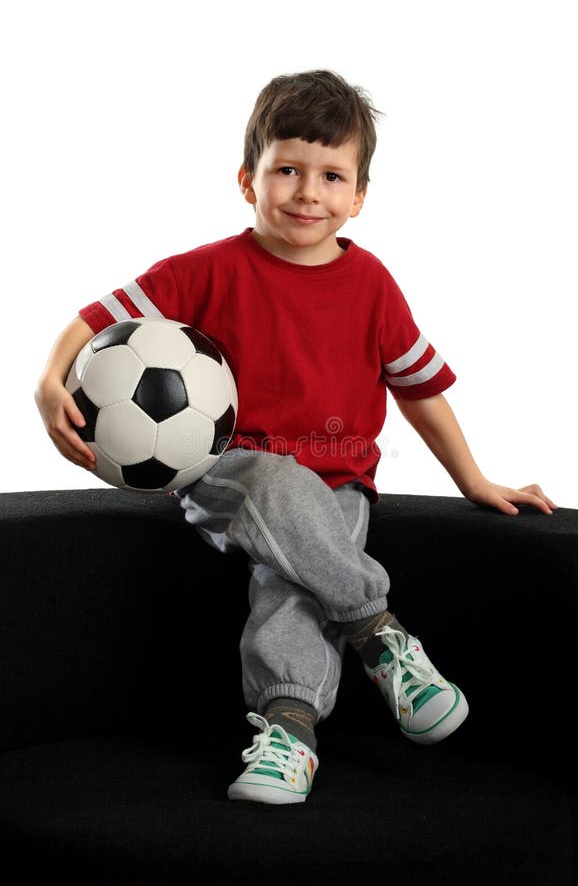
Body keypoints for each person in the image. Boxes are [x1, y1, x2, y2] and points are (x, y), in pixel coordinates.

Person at [35, 69, 556, 805]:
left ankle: (290, 733)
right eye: (287, 169)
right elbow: (95, 317)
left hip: (337, 481)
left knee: (297, 577)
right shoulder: (207, 270)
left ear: (360, 196)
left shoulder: (372, 284)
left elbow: (421, 391)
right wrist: (49, 381)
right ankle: (380, 631)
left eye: (331, 175)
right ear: (248, 181)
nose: (309, 191)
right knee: (278, 487)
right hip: (228, 476)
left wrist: (473, 479)